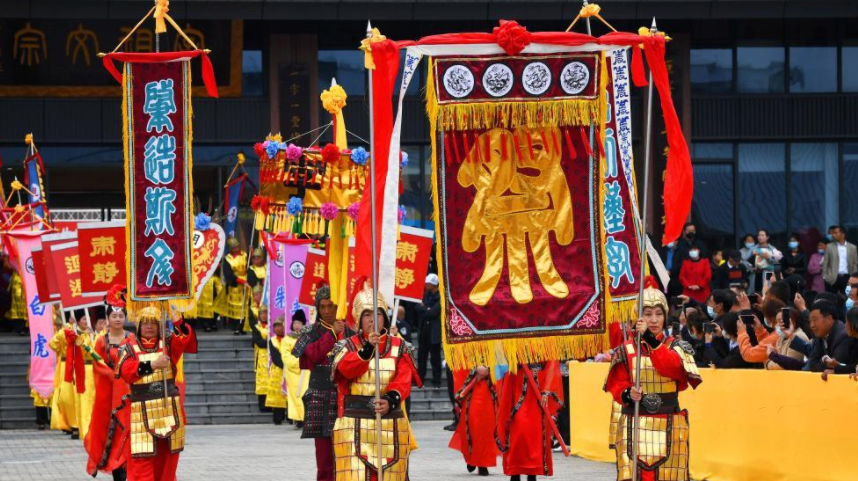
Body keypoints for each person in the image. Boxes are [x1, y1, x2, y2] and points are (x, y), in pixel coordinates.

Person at [604, 280, 701, 481]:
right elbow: (616, 385)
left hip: (669, 423)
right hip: (634, 423)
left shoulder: (676, 346)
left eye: (658, 313)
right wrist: (627, 393)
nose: (654, 319)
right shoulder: (626, 349)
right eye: (647, 314)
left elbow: (674, 370)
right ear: (637, 317)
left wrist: (651, 339)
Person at [331, 284, 420, 481]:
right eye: (367, 314)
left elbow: (404, 379)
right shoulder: (346, 345)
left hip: (390, 424)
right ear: (359, 319)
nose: (372, 319)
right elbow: (345, 370)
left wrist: (391, 399)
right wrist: (367, 350)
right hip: (354, 423)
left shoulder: (400, 346)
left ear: (385, 317)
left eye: (378, 313)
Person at [115, 305, 197, 481]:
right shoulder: (128, 345)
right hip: (141, 409)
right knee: (141, 460)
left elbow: (184, 337)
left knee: (168, 460)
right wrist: (152, 365)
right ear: (138, 326)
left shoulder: (167, 342)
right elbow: (126, 371)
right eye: (145, 323)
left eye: (153, 323)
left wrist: (175, 315)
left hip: (169, 409)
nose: (149, 327)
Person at [292, 286, 352, 481]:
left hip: (349, 397)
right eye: (323, 306)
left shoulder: (351, 330)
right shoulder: (311, 331)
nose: (327, 311)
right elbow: (314, 354)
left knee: (349, 455)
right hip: (321, 397)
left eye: (331, 306)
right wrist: (332, 334)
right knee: (325, 459)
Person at [85, 287, 132, 481]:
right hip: (109, 396)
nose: (118, 319)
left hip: (128, 395)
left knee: (127, 431)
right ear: (107, 319)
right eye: (114, 315)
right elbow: (99, 366)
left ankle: (126, 468)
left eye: (121, 315)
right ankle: (116, 469)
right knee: (110, 433)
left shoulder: (132, 339)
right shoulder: (101, 341)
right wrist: (115, 376)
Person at [496, 359, 562, 481]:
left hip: (539, 390)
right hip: (517, 387)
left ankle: (533, 473)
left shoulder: (545, 341)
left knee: (535, 434)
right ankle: (515, 471)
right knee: (518, 432)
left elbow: (552, 364)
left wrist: (547, 389)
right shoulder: (514, 342)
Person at [448, 366, 500, 476]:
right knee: (472, 424)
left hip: (489, 388)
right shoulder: (467, 348)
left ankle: (483, 463)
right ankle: (472, 457)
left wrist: (489, 369)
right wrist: (475, 369)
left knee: (486, 426)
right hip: (472, 387)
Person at [48, 312, 82, 439]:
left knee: (77, 396)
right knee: (65, 397)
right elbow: (52, 344)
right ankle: (68, 423)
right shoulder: (64, 331)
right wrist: (64, 332)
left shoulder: (83, 331)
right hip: (65, 366)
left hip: (80, 365)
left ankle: (76, 424)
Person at [805, 301, 858, 373]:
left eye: (815, 320)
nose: (812, 325)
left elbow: (839, 366)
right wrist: (824, 359)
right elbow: (812, 365)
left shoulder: (843, 336)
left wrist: (835, 368)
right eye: (810, 321)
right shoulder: (820, 335)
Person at [214, 237, 250, 335]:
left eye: (237, 246)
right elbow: (228, 273)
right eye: (234, 247)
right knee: (234, 307)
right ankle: (235, 327)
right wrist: (238, 280)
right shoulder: (227, 259)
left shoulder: (245, 255)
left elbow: (249, 267)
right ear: (230, 249)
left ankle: (242, 326)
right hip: (235, 285)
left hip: (246, 284)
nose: (237, 249)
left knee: (245, 305)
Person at [415, 273, 442, 388]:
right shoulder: (425, 295)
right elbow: (417, 307)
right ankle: (420, 380)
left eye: (428, 283)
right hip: (424, 331)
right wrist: (426, 309)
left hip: (434, 333)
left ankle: (436, 381)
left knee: (435, 358)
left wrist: (424, 308)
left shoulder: (440, 297)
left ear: (433, 285)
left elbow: (434, 312)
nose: (426, 285)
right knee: (422, 357)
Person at [283, 310, 309, 427]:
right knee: (295, 395)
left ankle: (306, 418)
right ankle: (297, 419)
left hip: (306, 372)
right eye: (295, 323)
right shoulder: (286, 340)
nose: (297, 325)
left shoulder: (308, 338)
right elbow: (285, 356)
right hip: (292, 372)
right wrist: (299, 363)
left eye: (299, 323)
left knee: (304, 394)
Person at [736, 300, 782, 364]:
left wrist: (741, 333)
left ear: (769, 318)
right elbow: (767, 345)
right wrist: (761, 331)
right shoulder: (779, 333)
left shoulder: (778, 335)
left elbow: (749, 355)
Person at [822, 225, 858, 294]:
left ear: (842, 234)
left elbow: (855, 263)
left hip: (847, 278)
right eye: (832, 233)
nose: (833, 235)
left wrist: (853, 277)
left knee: (848, 298)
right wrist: (825, 277)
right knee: (831, 299)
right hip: (832, 278)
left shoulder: (852, 247)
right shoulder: (829, 246)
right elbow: (825, 263)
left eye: (835, 233)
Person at [266, 315, 288, 425]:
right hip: (278, 370)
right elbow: (275, 357)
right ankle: (278, 417)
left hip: (289, 370)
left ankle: (290, 417)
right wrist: (285, 365)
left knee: (288, 394)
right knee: (278, 395)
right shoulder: (272, 340)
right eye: (276, 326)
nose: (278, 328)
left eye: (280, 326)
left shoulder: (289, 339)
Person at [250, 304, 271, 412]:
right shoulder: (256, 327)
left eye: (266, 313)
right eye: (262, 313)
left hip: (270, 356)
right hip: (261, 357)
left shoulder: (272, 327)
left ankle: (271, 403)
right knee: (261, 380)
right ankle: (262, 405)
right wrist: (269, 342)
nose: (264, 315)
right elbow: (258, 341)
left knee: (270, 379)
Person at [751, 229, 782, 294]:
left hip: (768, 273)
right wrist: (751, 267)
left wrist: (769, 258)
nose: (760, 237)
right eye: (759, 235)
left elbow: (778, 261)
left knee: (767, 292)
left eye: (762, 235)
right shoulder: (753, 248)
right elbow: (745, 260)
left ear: (767, 237)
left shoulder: (772, 249)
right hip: (755, 274)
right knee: (755, 293)